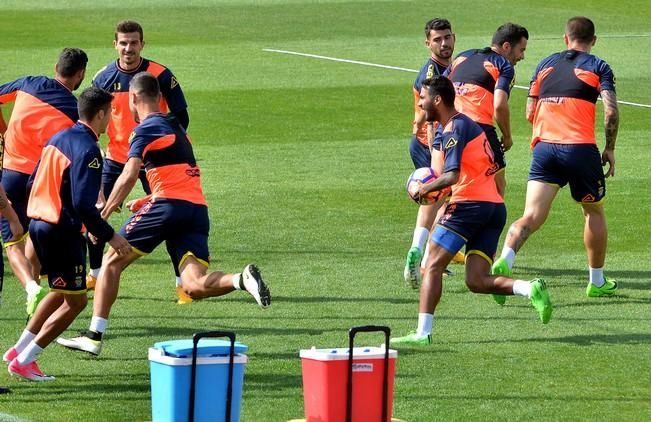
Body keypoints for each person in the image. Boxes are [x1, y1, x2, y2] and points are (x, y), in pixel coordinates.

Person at [57, 72, 271, 357]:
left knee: (111, 260)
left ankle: (94, 335)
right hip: (195, 210)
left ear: (133, 99)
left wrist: (104, 215)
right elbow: (183, 175)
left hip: (170, 206)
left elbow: (130, 173)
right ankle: (240, 279)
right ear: (159, 97)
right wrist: (148, 198)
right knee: (193, 285)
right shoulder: (178, 128)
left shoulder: (146, 128)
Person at [390, 76, 552, 346]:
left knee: (431, 265)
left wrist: (424, 189)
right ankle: (529, 288)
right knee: (476, 280)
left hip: (469, 205)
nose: (420, 102)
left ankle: (422, 333)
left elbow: (451, 176)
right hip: (493, 208)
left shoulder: (455, 128)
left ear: (438, 100)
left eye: (424, 98)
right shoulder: (462, 125)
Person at [3, 87, 130, 381]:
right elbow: (84, 205)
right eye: (109, 113)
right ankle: (26, 360)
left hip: (40, 224)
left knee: (60, 291)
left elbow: (33, 180)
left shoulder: (59, 138)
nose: (110, 119)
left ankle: (18, 349)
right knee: (77, 301)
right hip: (61, 229)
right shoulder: (88, 150)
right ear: (100, 115)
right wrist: (110, 235)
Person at [492, 16, 619, 299]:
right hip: (580, 149)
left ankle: (506, 259)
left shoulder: (545, 64)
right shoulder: (599, 66)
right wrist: (609, 147)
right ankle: (596, 282)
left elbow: (529, 111)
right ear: (593, 41)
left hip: (545, 149)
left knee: (531, 216)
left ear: (565, 39)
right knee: (593, 211)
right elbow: (610, 111)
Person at [88, 20, 191, 304]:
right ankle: (96, 275)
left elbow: (181, 115)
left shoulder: (160, 74)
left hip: (153, 160)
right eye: (123, 42)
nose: (128, 48)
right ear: (115, 45)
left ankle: (183, 284)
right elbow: (90, 118)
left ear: (142, 44)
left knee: (172, 218)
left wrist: (168, 148)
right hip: (116, 159)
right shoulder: (103, 78)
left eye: (134, 42)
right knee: (93, 212)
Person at [0, 48, 88, 317]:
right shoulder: (75, 110)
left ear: (56, 66)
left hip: (11, 175)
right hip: (42, 181)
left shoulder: (29, 84)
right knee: (34, 237)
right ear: (80, 74)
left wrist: (4, 131)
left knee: (12, 241)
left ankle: (30, 288)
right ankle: (34, 304)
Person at [404, 17, 464, 288]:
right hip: (430, 144)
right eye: (437, 40)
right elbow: (426, 119)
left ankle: (427, 252)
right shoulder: (432, 74)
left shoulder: (447, 66)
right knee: (440, 198)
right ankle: (427, 256)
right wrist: (434, 154)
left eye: (447, 37)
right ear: (427, 43)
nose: (444, 43)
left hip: (436, 142)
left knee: (441, 200)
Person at [445, 23, 529, 198]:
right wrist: (507, 136)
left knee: (447, 192)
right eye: (521, 50)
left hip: (448, 129)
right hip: (478, 129)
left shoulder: (462, 56)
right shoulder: (504, 65)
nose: (522, 56)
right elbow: (499, 105)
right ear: (506, 47)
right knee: (497, 188)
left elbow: (435, 89)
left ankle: (430, 226)